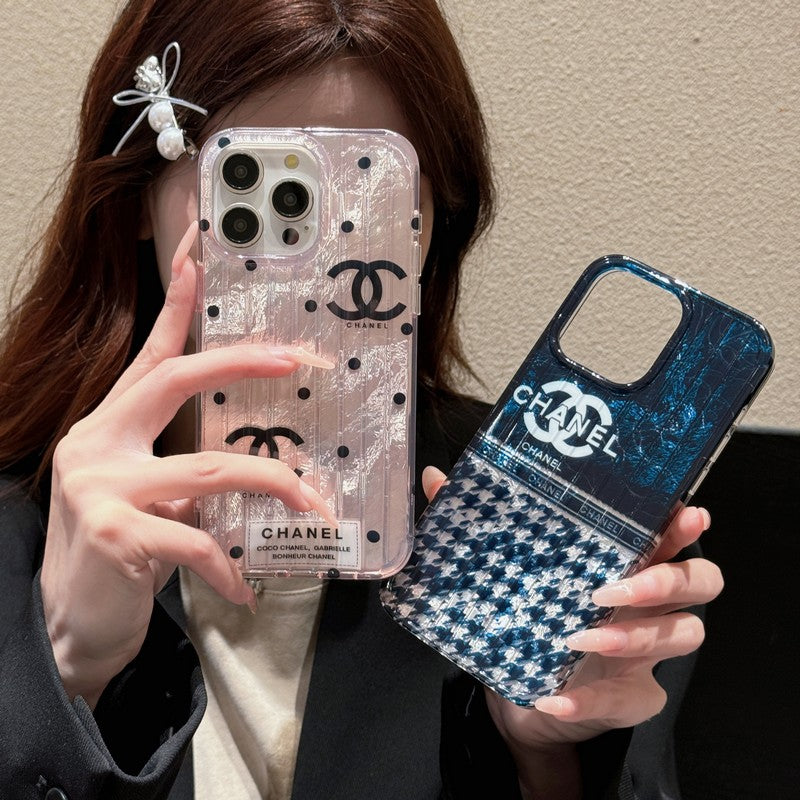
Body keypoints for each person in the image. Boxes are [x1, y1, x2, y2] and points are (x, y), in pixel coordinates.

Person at [0, 1, 721, 798]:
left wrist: (544, 758)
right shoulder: (18, 521)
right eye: (263, 188)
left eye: (369, 192)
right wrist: (67, 665)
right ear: (140, 195)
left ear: (434, 222)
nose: (314, 258)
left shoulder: (537, 519)